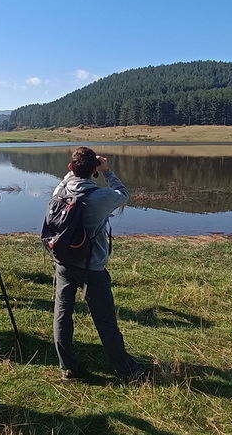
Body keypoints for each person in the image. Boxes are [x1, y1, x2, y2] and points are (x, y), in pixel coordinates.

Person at [50, 146, 147, 383]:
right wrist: (107, 171)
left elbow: (68, 178)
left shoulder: (60, 190)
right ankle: (126, 370)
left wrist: (79, 168)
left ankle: (68, 368)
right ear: (94, 170)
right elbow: (123, 193)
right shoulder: (100, 197)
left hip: (63, 261)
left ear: (71, 168)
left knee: (62, 314)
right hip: (92, 267)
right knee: (105, 321)